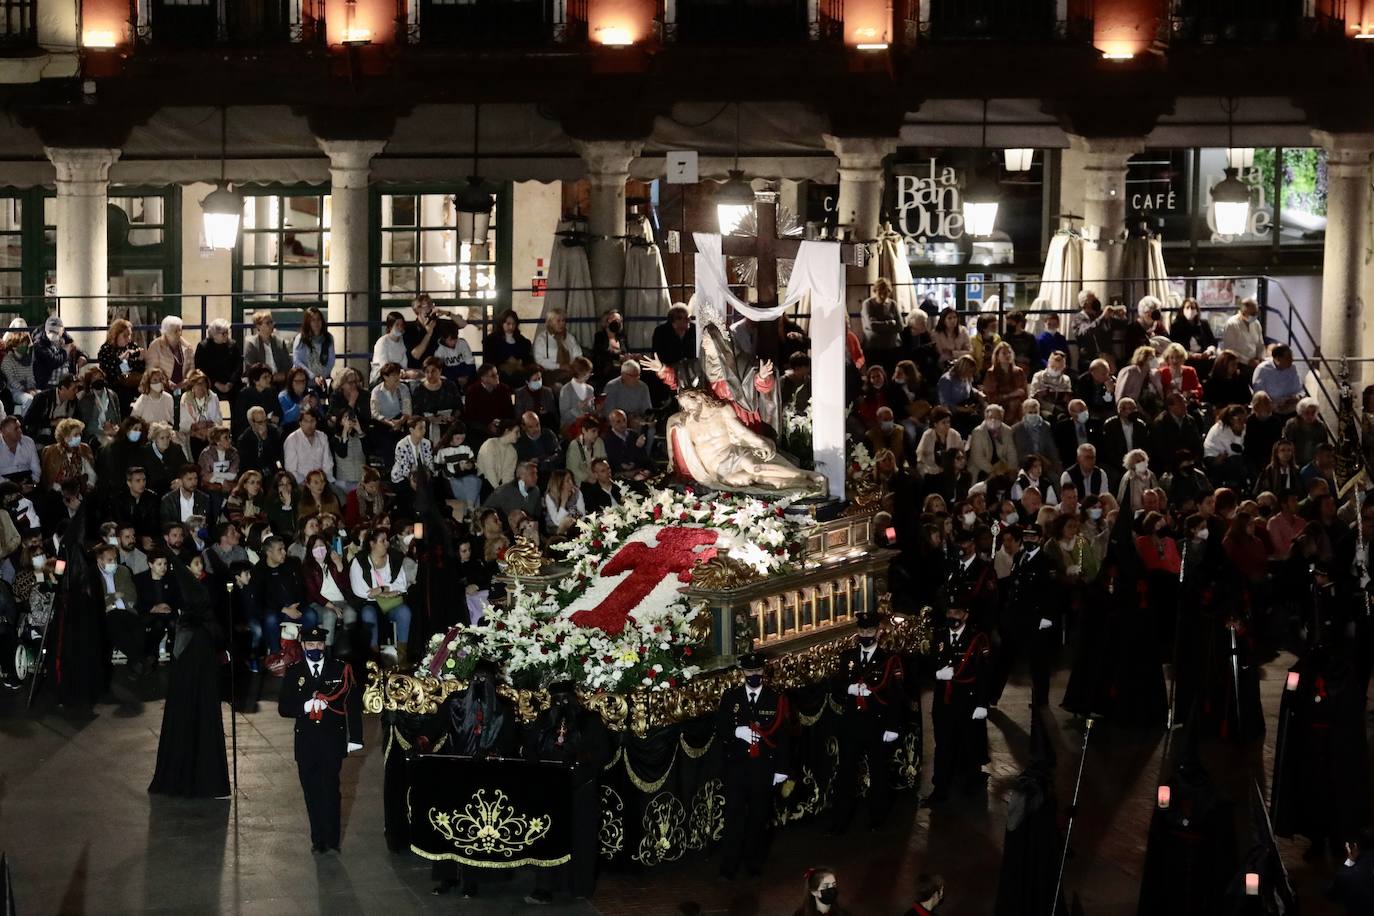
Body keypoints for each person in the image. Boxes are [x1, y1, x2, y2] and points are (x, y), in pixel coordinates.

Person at [148, 554, 231, 799]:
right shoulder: (198, 619)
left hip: (192, 665)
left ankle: (182, 775)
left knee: (187, 714)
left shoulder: (188, 624)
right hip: (198, 661)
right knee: (200, 714)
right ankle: (203, 777)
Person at [276, 625, 363, 853]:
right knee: (311, 791)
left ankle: (332, 840)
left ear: (325, 645)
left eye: (320, 644)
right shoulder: (294, 672)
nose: (316, 648)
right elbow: (284, 708)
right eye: (311, 644)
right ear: (303, 645)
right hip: (306, 743)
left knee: (331, 790)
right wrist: (304, 706)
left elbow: (352, 704)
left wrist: (355, 737)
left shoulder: (339, 669)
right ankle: (318, 840)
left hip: (331, 741)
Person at [714, 651, 790, 879]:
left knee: (758, 817)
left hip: (762, 768)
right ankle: (728, 867)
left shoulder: (775, 698)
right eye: (749, 671)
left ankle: (754, 864)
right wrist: (737, 731)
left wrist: (781, 769)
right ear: (742, 673)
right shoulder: (731, 697)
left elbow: (784, 736)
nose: (754, 675)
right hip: (737, 767)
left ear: (763, 672)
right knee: (734, 818)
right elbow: (721, 727)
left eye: (757, 671)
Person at [827, 610, 904, 833]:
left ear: (878, 632)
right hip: (852, 724)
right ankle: (840, 821)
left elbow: (896, 695)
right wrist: (848, 688)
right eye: (861, 630)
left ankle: (877, 818)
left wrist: (892, 726)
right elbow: (837, 684)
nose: (865, 633)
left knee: (878, 772)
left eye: (869, 630)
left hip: (876, 724)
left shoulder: (888, 660)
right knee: (846, 773)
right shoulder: (848, 657)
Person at [924, 591, 991, 806]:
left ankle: (972, 782)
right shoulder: (939, 636)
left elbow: (983, 673)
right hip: (944, 701)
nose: (953, 616)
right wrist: (936, 674)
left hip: (968, 700)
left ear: (966, 615)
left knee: (969, 743)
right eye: (950, 611)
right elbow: (926, 666)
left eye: (957, 612)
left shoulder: (977, 639)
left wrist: (982, 703)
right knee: (942, 745)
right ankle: (940, 787)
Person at [348, 526, 411, 655]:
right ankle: (374, 658)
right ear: (372, 544)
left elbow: (402, 584)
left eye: (387, 540)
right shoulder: (359, 561)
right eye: (383, 541)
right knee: (368, 614)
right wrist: (386, 592)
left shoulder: (394, 558)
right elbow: (361, 591)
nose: (387, 543)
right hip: (369, 603)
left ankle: (403, 656)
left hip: (390, 603)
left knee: (404, 611)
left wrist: (383, 589)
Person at [194, 317, 242, 404]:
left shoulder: (232, 345)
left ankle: (237, 417)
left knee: (241, 394)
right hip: (211, 382)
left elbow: (238, 366)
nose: (226, 336)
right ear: (214, 334)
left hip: (231, 383)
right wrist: (216, 383)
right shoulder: (203, 347)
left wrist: (230, 383)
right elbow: (200, 368)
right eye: (223, 333)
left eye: (227, 333)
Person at [144, 315, 195, 395]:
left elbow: (192, 369)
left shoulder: (187, 347)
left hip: (184, 389)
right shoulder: (156, 346)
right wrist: (167, 382)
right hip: (161, 388)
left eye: (180, 330)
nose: (179, 333)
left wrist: (186, 381)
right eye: (175, 331)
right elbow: (151, 369)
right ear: (166, 332)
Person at [532, 307, 583, 385]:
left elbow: (578, 354)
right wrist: (559, 366)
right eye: (558, 321)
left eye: (563, 321)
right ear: (550, 322)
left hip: (570, 370)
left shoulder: (569, 337)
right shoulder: (542, 338)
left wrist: (573, 366)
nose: (562, 323)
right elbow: (540, 360)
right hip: (550, 372)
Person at [483, 308, 533, 385]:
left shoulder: (522, 341)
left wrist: (519, 362)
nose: (511, 327)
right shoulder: (491, 340)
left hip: (519, 372)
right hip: (500, 374)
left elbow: (527, 358)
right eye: (508, 324)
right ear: (502, 323)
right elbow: (489, 360)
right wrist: (506, 361)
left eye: (513, 324)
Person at [862, 277, 902, 371]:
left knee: (891, 373)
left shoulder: (893, 305)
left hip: (892, 348)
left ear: (889, 292)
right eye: (880, 292)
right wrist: (890, 323)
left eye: (886, 293)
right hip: (874, 348)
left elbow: (900, 326)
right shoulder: (868, 304)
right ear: (875, 291)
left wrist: (881, 326)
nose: (883, 296)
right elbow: (872, 325)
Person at [292, 306, 336, 389]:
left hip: (322, 378)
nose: (316, 323)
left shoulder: (329, 338)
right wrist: (313, 376)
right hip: (304, 378)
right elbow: (297, 361)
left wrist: (322, 376)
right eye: (313, 320)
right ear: (308, 322)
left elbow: (331, 361)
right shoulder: (301, 338)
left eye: (318, 319)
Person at [243, 310, 292, 384]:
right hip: (260, 383)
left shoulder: (280, 342)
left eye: (271, 322)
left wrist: (282, 376)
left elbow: (287, 365)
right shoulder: (251, 343)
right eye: (267, 323)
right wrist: (270, 377)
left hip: (280, 381)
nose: (271, 325)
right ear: (258, 326)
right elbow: (250, 368)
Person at [1220, 296, 1265, 367]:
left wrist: (1261, 358)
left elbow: (1260, 345)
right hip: (1238, 364)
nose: (1254, 316)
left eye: (1256, 313)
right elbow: (1230, 350)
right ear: (1243, 312)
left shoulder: (1256, 324)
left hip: (1255, 362)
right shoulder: (1231, 324)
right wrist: (1248, 361)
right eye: (1252, 314)